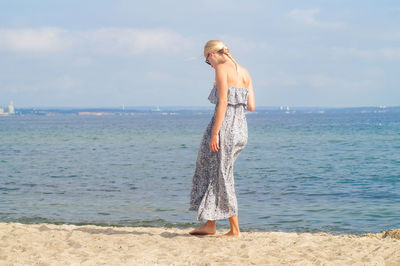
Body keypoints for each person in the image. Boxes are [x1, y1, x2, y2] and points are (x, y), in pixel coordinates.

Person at [188, 40, 256, 237]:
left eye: (207, 61)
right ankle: (211, 224)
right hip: (241, 129)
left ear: (211, 54)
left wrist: (215, 133)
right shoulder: (244, 72)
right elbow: (251, 105)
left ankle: (234, 229)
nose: (209, 65)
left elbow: (223, 103)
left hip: (224, 129)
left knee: (222, 176)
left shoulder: (221, 68)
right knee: (215, 172)